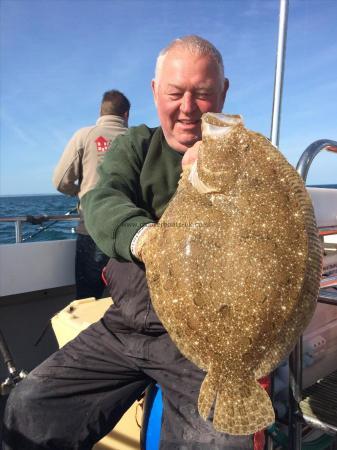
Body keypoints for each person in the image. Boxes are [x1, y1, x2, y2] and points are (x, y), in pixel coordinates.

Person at [3, 36, 255, 449]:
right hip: (126, 327)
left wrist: (218, 181)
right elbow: (103, 199)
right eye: (175, 93)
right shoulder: (136, 145)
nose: (188, 108)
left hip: (207, 344)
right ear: (155, 93)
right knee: (28, 407)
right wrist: (149, 242)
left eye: (204, 94)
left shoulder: (247, 160)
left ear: (224, 92)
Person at [52, 90, 130, 299]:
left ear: (101, 112)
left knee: (88, 297)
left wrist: (80, 192)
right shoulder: (138, 139)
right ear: (125, 115)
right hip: (131, 232)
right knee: (128, 299)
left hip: (93, 230)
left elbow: (60, 181)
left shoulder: (85, 135)